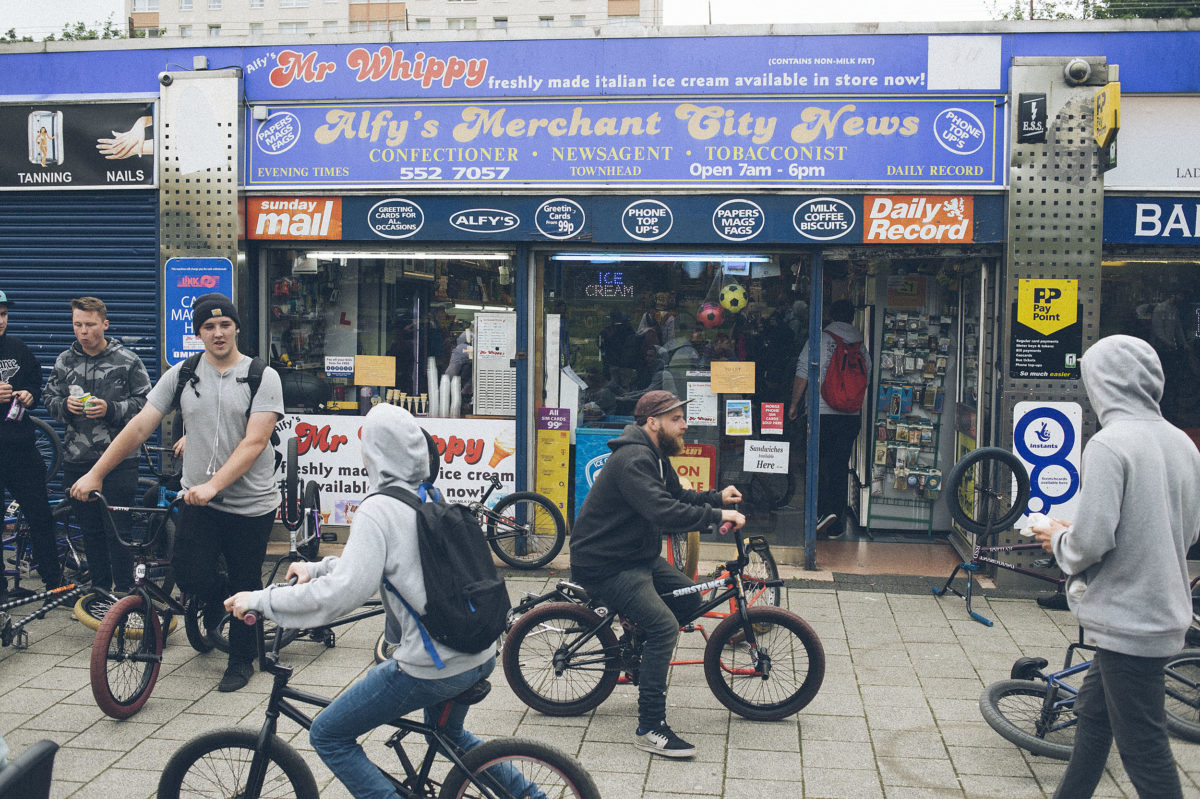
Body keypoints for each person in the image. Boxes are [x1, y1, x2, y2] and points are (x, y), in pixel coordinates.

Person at [224, 403, 544, 799]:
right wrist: (318, 569)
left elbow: (343, 594)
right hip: (478, 651)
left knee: (329, 735)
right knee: (450, 734)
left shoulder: (378, 509)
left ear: (375, 452)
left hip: (435, 664)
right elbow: (389, 564)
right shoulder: (427, 494)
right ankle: (533, 796)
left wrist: (263, 600)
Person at [70, 293, 283, 693]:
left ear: (236, 328)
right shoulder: (183, 374)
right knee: (188, 574)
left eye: (224, 325)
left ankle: (241, 659)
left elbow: (256, 441)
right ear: (199, 332)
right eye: (208, 326)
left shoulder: (261, 375)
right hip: (197, 498)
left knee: (244, 579)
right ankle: (221, 602)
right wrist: (96, 474)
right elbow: (139, 426)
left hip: (250, 503)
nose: (217, 333)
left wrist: (214, 485)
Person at [1032, 335, 1200, 799]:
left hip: (1130, 617)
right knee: (1092, 720)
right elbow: (1185, 531)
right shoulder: (1183, 444)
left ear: (1100, 382)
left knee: (1145, 751)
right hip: (1161, 609)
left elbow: (1090, 544)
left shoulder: (1110, 444)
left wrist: (1058, 538)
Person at [569, 390, 745, 758]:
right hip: (606, 562)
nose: (685, 425)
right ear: (653, 422)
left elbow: (678, 497)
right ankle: (650, 728)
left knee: (691, 599)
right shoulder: (634, 459)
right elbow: (664, 511)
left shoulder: (655, 456)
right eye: (676, 419)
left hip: (634, 555)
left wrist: (717, 498)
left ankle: (636, 645)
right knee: (664, 627)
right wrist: (717, 517)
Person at [44, 297, 151, 594]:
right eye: (77, 324)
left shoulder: (127, 360)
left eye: (90, 324)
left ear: (105, 324)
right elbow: (49, 399)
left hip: (119, 461)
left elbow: (147, 405)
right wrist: (64, 406)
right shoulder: (64, 361)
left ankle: (126, 595)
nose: (83, 331)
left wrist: (111, 409)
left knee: (119, 532)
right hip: (77, 459)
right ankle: (100, 592)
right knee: (90, 533)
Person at [787, 299, 871, 538]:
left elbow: (803, 371)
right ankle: (836, 523)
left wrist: (794, 404)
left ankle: (820, 514)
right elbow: (866, 377)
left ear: (830, 315)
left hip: (821, 414)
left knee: (818, 464)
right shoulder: (860, 345)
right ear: (852, 317)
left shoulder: (820, 339)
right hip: (850, 417)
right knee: (839, 466)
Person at [0, 289, 63, 601]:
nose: (0, 320)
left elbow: (36, 385)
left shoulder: (18, 348)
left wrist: (29, 395)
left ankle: (55, 585)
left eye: (3, 314)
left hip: (21, 447)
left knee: (41, 516)